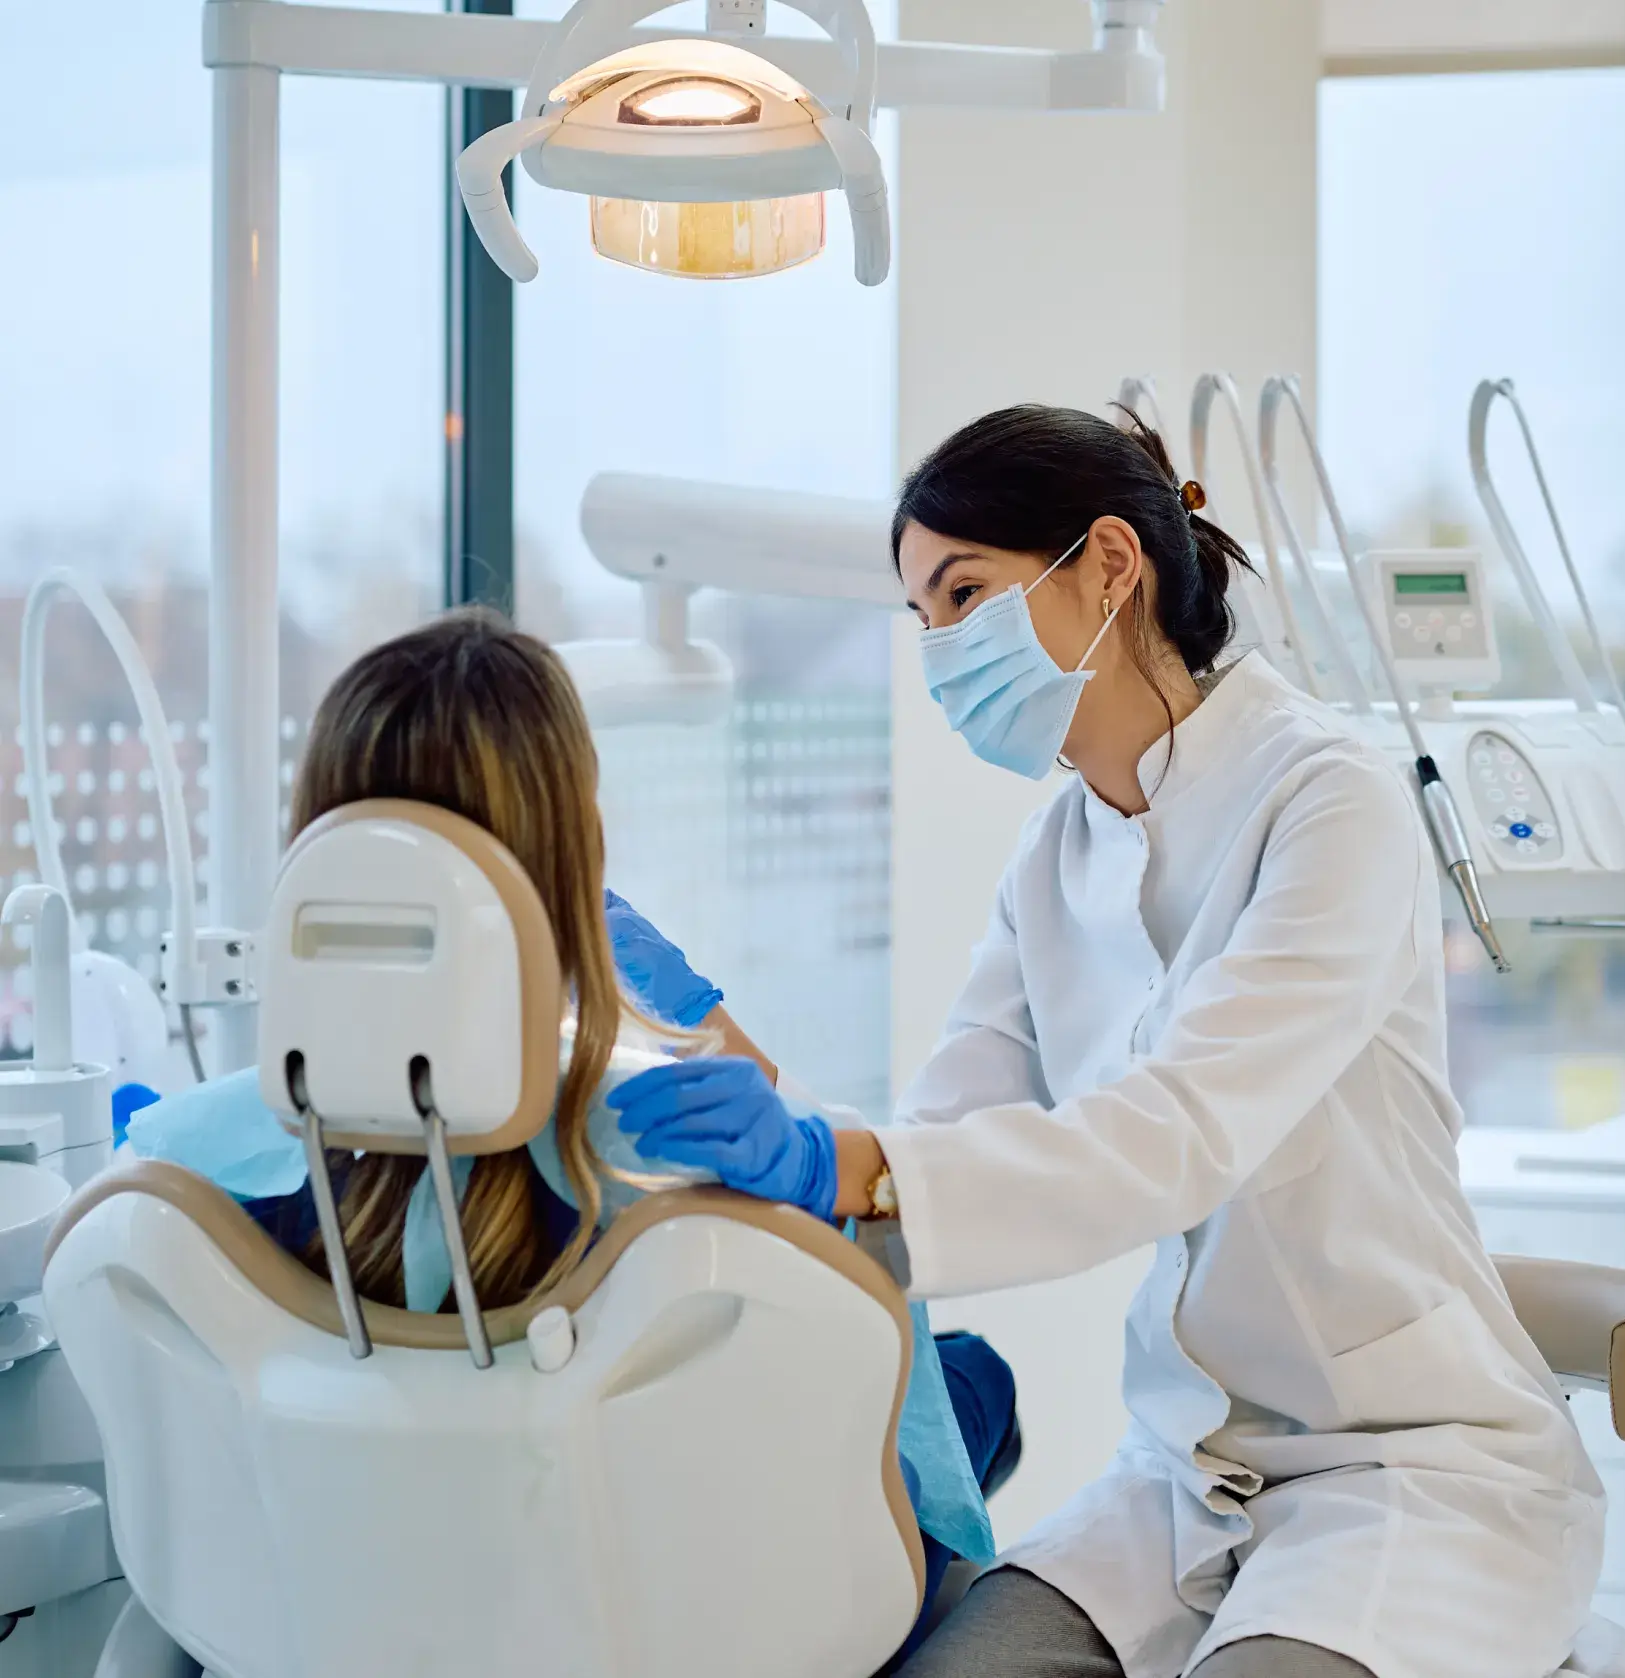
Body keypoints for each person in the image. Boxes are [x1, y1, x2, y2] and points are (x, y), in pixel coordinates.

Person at [604, 406, 1606, 1678]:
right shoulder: (1055, 854)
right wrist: (736, 1081)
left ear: (1111, 566)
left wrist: (847, 1163)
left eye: (963, 592)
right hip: (1185, 1477)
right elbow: (948, 1131)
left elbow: (1182, 1133)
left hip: (1410, 1466)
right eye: (921, 617)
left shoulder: (1326, 798)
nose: (940, 649)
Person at [123, 611, 1018, 1664]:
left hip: (355, 1608)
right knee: (976, 1379)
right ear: (578, 844)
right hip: (671, 1617)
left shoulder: (182, 1191)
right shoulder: (685, 1196)